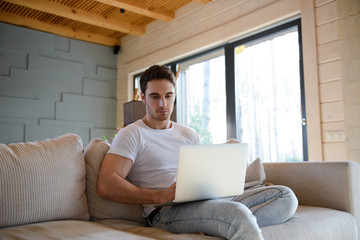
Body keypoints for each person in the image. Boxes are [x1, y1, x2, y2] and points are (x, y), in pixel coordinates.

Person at [97, 65, 298, 240]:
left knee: (285, 196)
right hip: (166, 211)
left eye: (168, 96)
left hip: (206, 203)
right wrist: (158, 196)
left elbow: (200, 174)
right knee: (236, 213)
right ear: (143, 98)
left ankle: (218, 225)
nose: (163, 104)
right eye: (155, 97)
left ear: (175, 94)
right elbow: (106, 184)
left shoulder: (188, 133)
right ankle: (227, 221)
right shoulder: (131, 134)